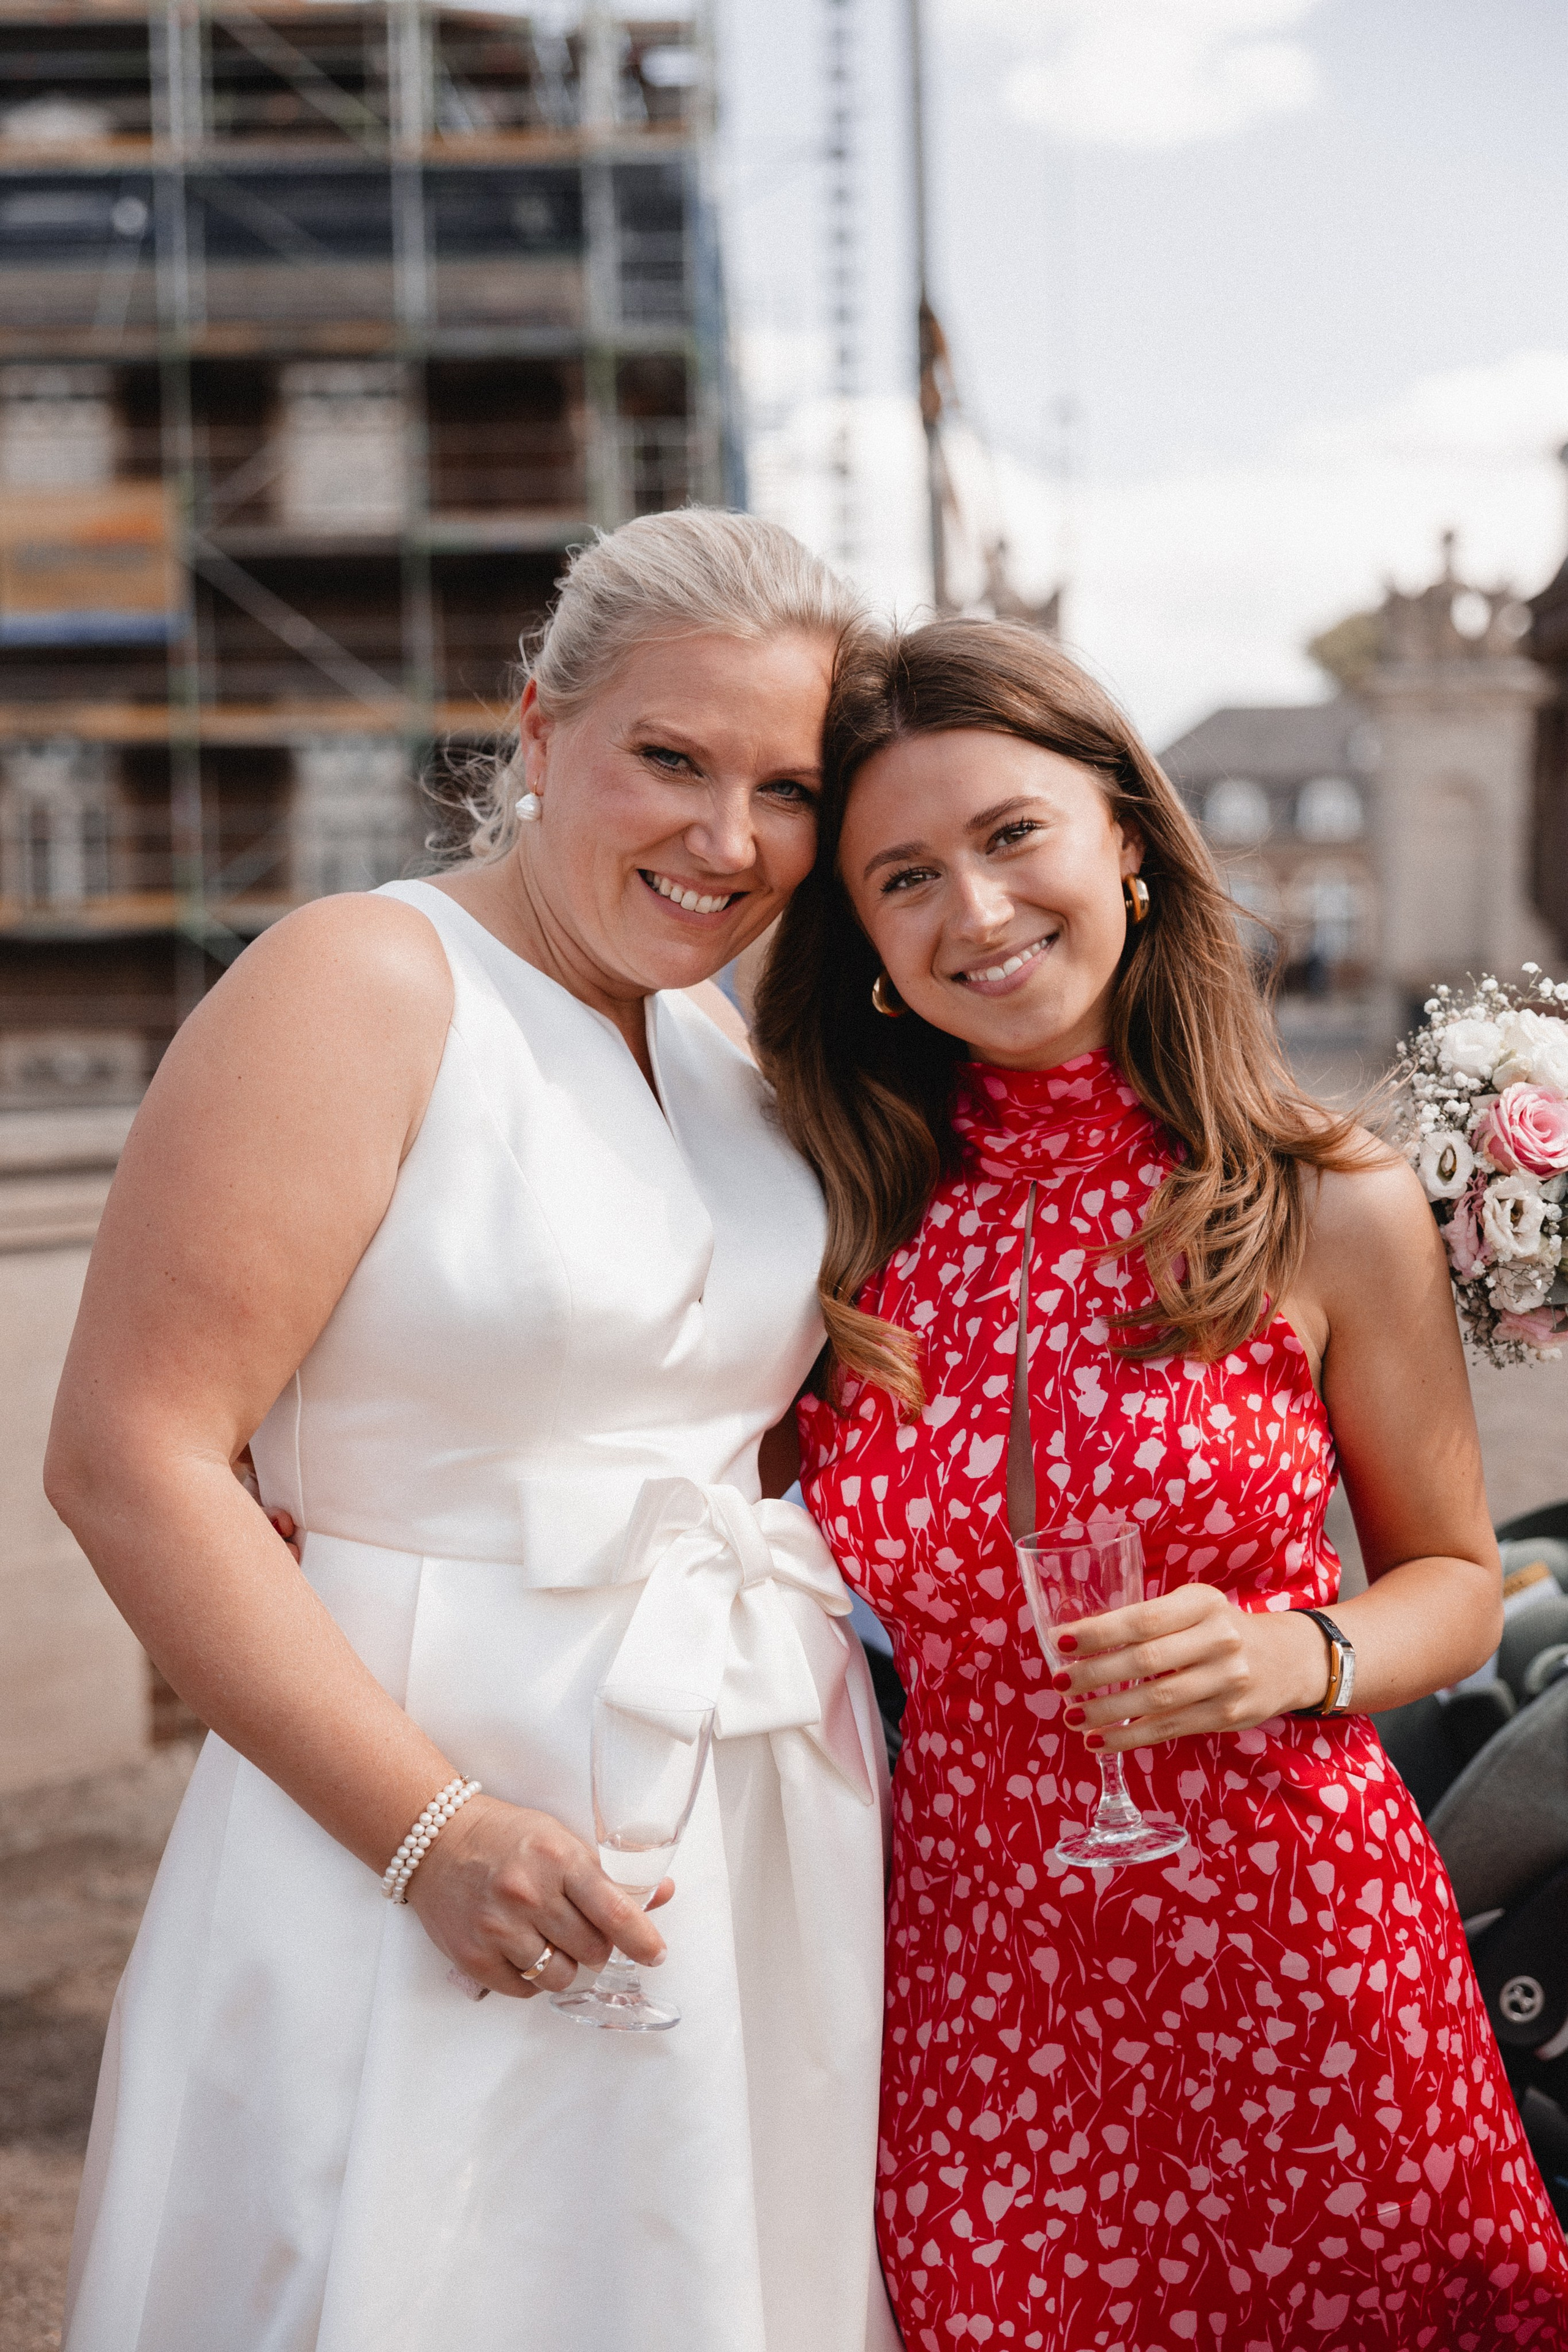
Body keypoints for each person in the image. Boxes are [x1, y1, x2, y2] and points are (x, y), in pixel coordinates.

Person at [45, 511, 900, 2352]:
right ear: (537, 726)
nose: (725, 840)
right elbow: (131, 1458)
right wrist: (431, 1831)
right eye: (669, 758)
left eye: (787, 789)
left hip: (744, 1833)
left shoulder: (731, 1049)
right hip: (404, 1815)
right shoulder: (358, 983)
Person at [756, 617, 1568, 2351]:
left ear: (1127, 833)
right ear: (868, 941)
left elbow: (1455, 1573)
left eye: (1010, 835)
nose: (972, 910)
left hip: (1305, 1952)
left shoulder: (1322, 1200)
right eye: (904, 876)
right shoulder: (833, 1225)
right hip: (981, 1988)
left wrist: (1305, 1656)